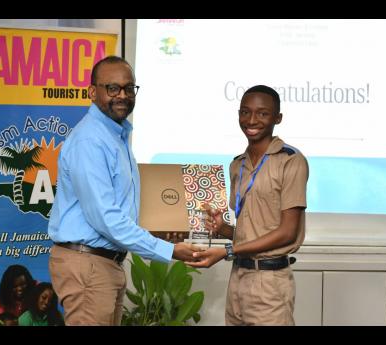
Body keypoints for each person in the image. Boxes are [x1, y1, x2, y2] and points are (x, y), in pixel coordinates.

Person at [48, 56, 201, 326]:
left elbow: (119, 211)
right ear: (92, 92)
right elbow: (106, 219)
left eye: (129, 88)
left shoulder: (115, 136)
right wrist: (168, 249)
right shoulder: (90, 140)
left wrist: (160, 230)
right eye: (113, 88)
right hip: (88, 266)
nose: (122, 95)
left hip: (103, 264)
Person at [187, 85, 309, 326]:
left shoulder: (291, 161)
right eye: (245, 112)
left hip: (270, 282)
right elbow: (248, 234)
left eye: (262, 113)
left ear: (278, 118)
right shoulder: (237, 165)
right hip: (238, 278)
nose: (251, 120)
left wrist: (228, 251)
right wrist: (222, 229)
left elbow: (287, 232)